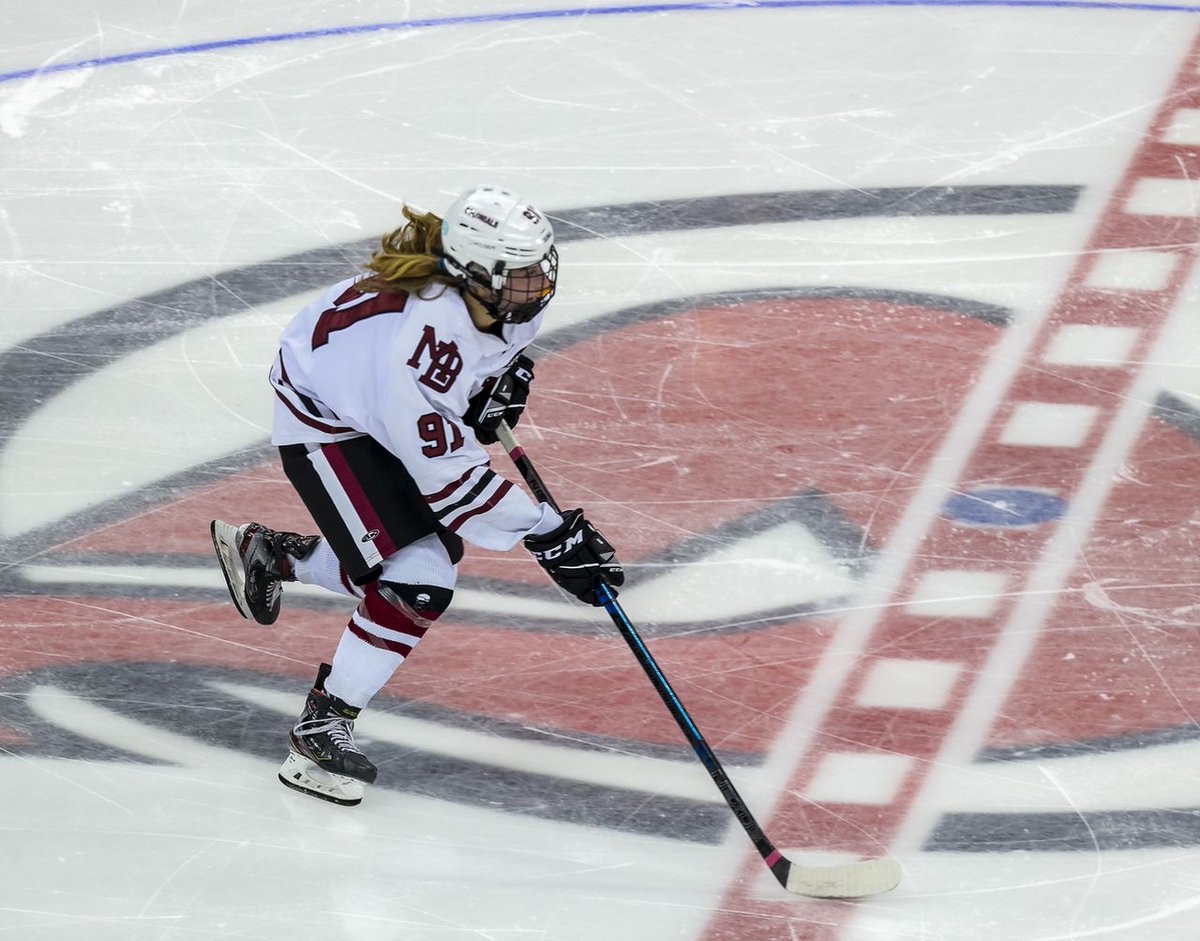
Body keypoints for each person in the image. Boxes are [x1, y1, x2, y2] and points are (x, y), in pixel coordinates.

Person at [210, 185, 624, 806]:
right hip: (327, 419)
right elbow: (454, 486)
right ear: (473, 274)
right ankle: (321, 728)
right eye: (519, 274)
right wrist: (548, 533)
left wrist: (497, 380)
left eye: (542, 265)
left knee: (419, 564)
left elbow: (489, 361)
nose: (538, 284)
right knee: (419, 578)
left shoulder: (503, 305)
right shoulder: (418, 349)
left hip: (375, 398)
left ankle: (276, 556)